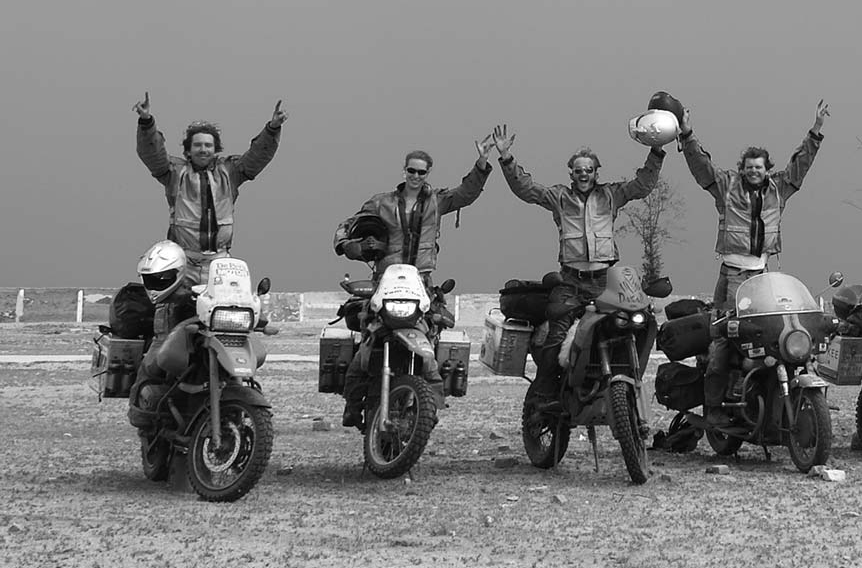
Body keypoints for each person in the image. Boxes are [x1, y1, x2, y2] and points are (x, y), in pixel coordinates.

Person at [491, 120, 666, 408]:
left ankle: (620, 384)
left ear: (597, 172)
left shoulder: (611, 195)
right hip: (571, 282)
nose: (584, 174)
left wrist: (656, 151)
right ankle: (546, 393)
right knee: (556, 335)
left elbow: (643, 185)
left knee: (629, 326)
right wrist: (506, 158)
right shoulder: (559, 197)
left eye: (589, 170)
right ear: (571, 173)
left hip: (605, 280)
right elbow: (526, 189)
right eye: (578, 170)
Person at [677, 98, 830, 425]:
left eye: (759, 167)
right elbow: (701, 166)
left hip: (763, 275)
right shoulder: (726, 186)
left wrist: (816, 131)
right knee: (724, 339)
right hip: (733, 275)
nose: (753, 171)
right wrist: (687, 134)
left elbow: (800, 165)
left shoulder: (779, 189)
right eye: (749, 167)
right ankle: (714, 408)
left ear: (767, 169)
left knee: (774, 337)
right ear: (742, 168)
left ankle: (771, 399)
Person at [334, 137, 494, 428]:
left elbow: (467, 193)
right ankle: (353, 404)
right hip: (385, 280)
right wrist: (351, 245)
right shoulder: (381, 202)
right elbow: (349, 225)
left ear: (428, 173)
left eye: (421, 172)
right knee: (367, 341)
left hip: (421, 281)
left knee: (430, 340)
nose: (416, 176)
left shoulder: (437, 201)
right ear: (404, 170)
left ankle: (430, 406)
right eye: (412, 170)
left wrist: (482, 163)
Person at [134, 92, 287, 285]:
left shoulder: (230, 171)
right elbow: (152, 153)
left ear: (216, 150)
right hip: (182, 262)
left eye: (208, 145)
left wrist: (273, 129)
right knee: (173, 303)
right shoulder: (174, 173)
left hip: (221, 262)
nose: (203, 149)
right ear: (188, 150)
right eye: (197, 145)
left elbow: (257, 156)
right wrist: (146, 122)